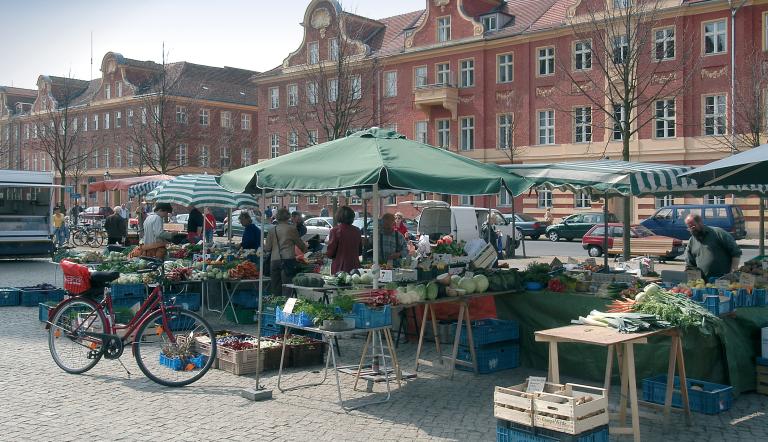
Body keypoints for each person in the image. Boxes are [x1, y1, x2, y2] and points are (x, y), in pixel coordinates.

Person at [685, 214, 742, 281]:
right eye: (689, 228)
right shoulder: (691, 241)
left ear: (700, 222)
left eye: (693, 227)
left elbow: (736, 252)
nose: (692, 230)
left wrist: (732, 272)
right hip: (703, 283)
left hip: (723, 280)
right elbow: (690, 265)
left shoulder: (718, 233)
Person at [264, 208, 307, 296]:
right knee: (287, 288)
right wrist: (305, 250)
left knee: (275, 288)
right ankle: (285, 308)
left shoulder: (272, 230)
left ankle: (276, 307)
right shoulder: (291, 229)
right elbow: (300, 244)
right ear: (288, 217)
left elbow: (267, 248)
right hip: (287, 260)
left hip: (274, 261)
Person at [326, 206, 362, 273]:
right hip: (355, 266)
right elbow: (359, 252)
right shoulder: (357, 230)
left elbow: (330, 253)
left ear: (339, 216)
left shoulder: (335, 231)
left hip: (340, 267)